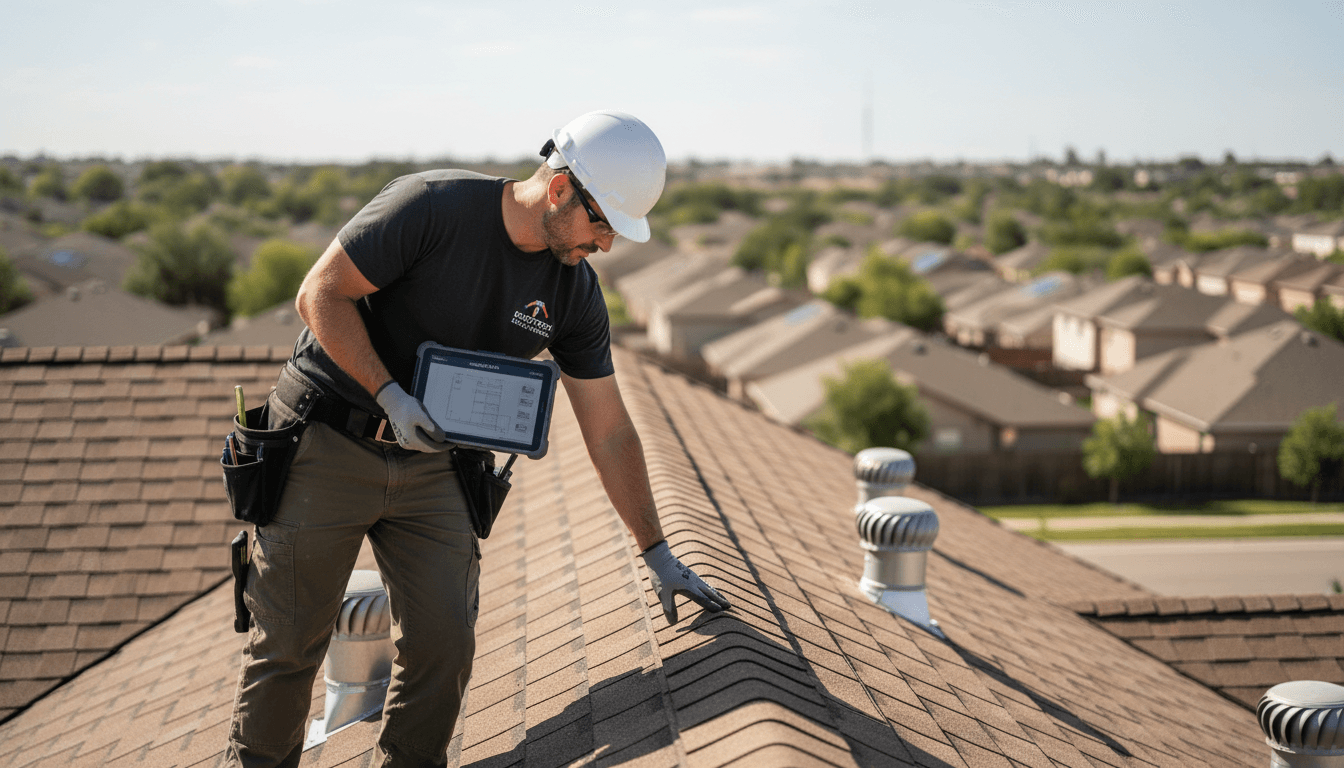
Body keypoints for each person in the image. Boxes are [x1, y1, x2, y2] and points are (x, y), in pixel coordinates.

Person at [225, 110, 732, 768]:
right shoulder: (432, 208)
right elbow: (319, 293)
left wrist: (657, 549)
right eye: (601, 222)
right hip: (330, 439)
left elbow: (609, 430)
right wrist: (389, 393)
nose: (605, 245)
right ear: (559, 191)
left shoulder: (573, 291)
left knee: (445, 646)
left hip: (434, 464)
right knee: (288, 647)